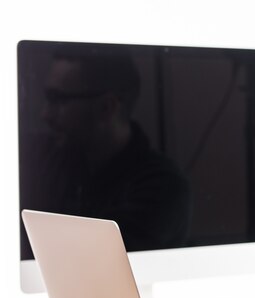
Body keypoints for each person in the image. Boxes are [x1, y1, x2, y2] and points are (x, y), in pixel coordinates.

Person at [20, 43, 191, 258]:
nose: (45, 114)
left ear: (106, 107)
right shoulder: (41, 157)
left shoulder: (162, 189)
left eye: (58, 100)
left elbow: (90, 267)